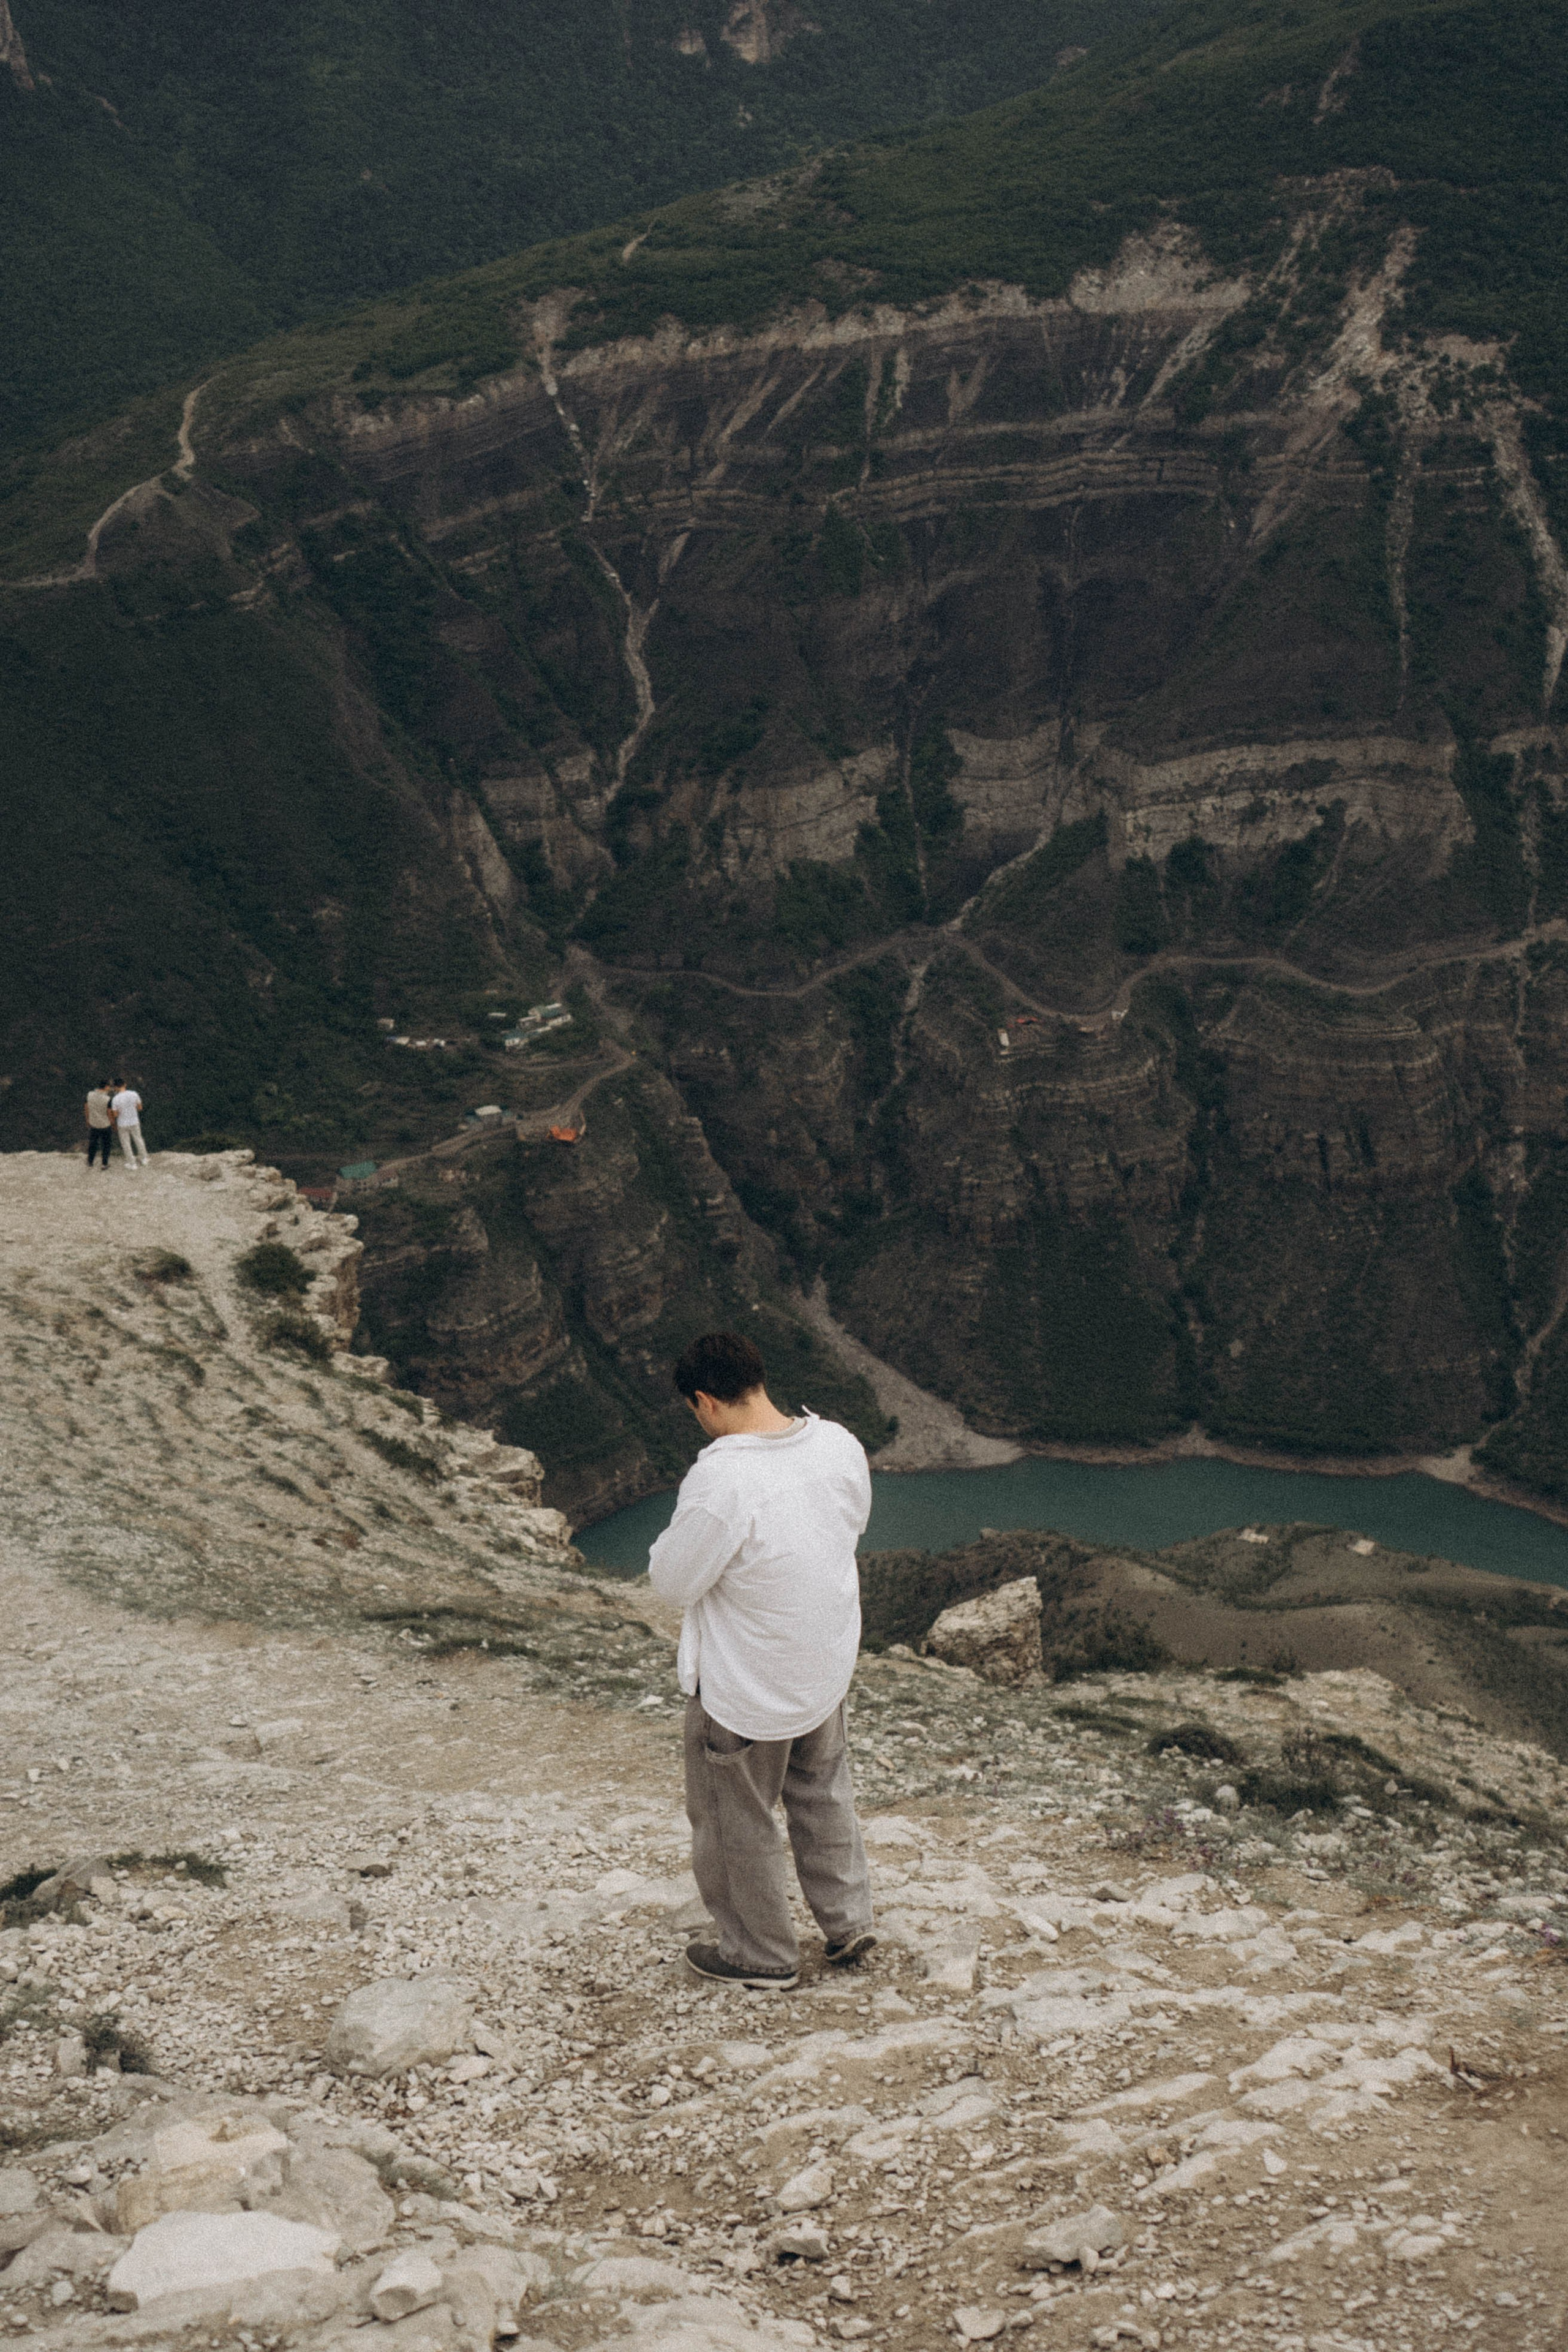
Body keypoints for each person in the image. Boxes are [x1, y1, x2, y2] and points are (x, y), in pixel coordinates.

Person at [648, 1329, 876, 1990]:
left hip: (747, 1684)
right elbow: (849, 1524)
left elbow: (673, 1581)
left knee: (734, 1817)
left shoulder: (723, 1478)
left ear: (704, 1402)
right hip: (823, 1663)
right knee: (823, 1791)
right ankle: (847, 1920)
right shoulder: (836, 1442)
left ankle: (760, 1954)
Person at [111, 1080, 149, 1170]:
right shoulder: (134, 1094)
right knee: (138, 1139)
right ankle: (144, 1159)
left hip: (122, 1123)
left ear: (116, 1087)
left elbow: (115, 1115)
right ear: (125, 1084)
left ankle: (132, 1164)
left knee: (126, 1143)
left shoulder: (115, 1099)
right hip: (134, 1121)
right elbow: (140, 1108)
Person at [85, 1080, 116, 1169]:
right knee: (106, 1144)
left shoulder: (90, 1095)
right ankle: (104, 1164)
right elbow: (109, 1113)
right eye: (109, 1087)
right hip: (105, 1125)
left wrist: (88, 1119)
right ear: (106, 1087)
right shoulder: (108, 1099)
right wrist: (113, 1124)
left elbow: (86, 1107)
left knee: (93, 1143)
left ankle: (90, 1162)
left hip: (94, 1124)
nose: (110, 1088)